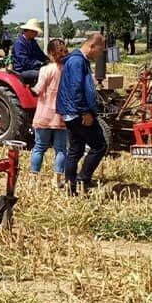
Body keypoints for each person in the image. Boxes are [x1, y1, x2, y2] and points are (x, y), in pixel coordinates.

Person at [56, 33, 107, 196]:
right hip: (78, 112)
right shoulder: (77, 61)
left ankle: (71, 187)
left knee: (76, 150)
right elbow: (75, 89)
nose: (100, 54)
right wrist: (85, 111)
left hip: (70, 113)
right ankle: (82, 179)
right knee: (100, 146)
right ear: (92, 46)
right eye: (100, 50)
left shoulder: (77, 59)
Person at [30, 38, 69, 188]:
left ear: (49, 53)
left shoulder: (45, 70)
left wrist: (28, 88)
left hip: (44, 114)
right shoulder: (67, 69)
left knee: (39, 147)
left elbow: (38, 90)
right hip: (61, 115)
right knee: (61, 149)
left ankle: (34, 180)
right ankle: (57, 180)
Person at [12, 18, 49, 84]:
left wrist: (48, 60)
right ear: (28, 31)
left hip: (31, 67)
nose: (36, 33)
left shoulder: (32, 42)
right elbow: (24, 61)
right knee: (43, 74)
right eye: (35, 31)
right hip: (21, 70)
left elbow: (40, 54)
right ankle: (38, 91)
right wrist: (40, 64)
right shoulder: (19, 43)